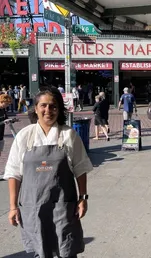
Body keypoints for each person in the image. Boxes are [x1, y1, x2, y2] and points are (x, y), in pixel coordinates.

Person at [4, 87, 93, 258]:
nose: (48, 110)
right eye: (43, 105)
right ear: (35, 108)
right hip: (33, 207)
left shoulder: (68, 135)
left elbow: (81, 168)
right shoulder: (25, 136)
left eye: (53, 106)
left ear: (59, 109)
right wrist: (13, 207)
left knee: (66, 250)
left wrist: (83, 198)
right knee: (40, 250)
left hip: (63, 207)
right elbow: (14, 173)